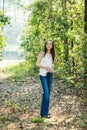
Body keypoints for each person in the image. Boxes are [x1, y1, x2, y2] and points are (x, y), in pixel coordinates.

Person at [36, 40, 55, 118]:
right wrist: (45, 67)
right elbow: (37, 64)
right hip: (43, 75)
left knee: (47, 94)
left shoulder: (53, 54)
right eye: (47, 44)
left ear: (52, 46)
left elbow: (52, 64)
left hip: (50, 75)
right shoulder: (42, 53)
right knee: (46, 93)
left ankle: (44, 112)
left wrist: (52, 68)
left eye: (50, 44)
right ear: (45, 45)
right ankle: (45, 114)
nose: (49, 45)